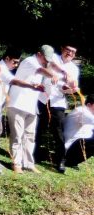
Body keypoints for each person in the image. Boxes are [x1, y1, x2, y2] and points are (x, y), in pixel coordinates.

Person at [7, 45, 60, 174]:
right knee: (17, 136)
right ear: (38, 54)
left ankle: (29, 163)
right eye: (45, 58)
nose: (46, 61)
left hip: (31, 106)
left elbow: (49, 67)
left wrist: (63, 74)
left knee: (30, 136)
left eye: (48, 59)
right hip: (17, 103)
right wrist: (52, 75)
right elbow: (42, 70)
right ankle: (16, 164)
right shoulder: (29, 61)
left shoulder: (43, 63)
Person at [35, 45, 80, 173]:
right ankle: (34, 154)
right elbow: (49, 65)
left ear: (75, 55)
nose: (69, 53)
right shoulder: (53, 57)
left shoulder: (74, 69)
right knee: (38, 127)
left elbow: (71, 87)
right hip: (42, 97)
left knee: (58, 130)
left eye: (73, 52)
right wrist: (63, 73)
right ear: (62, 49)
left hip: (58, 100)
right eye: (68, 50)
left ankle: (60, 160)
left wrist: (70, 89)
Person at [62, 95, 94, 170]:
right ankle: (68, 161)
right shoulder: (82, 111)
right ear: (89, 105)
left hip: (75, 146)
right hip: (69, 146)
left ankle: (72, 162)